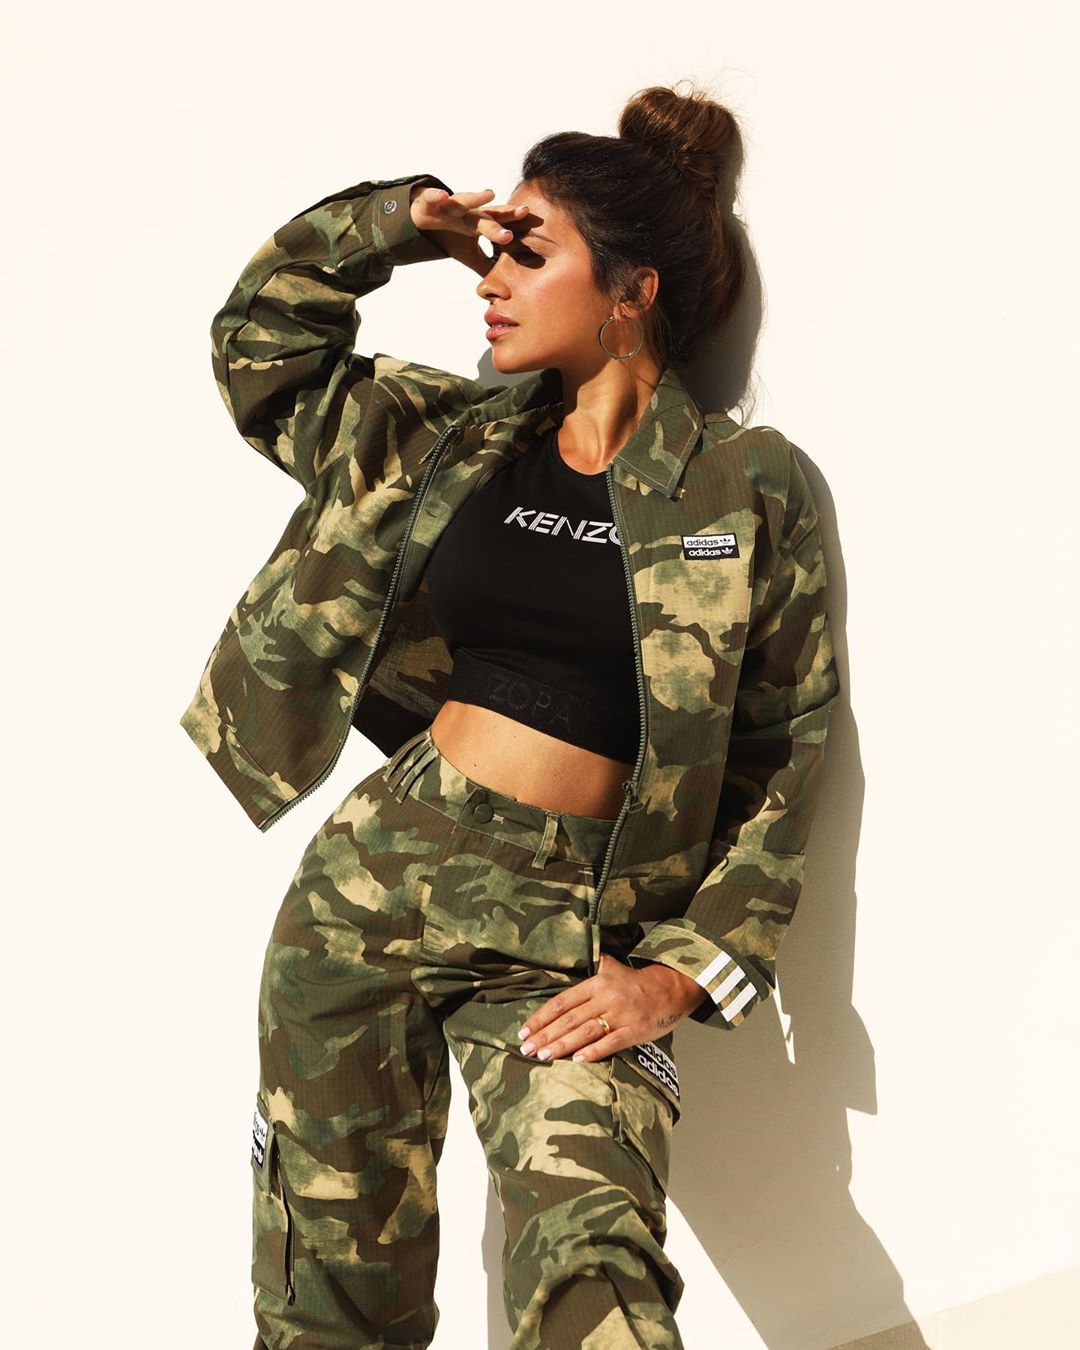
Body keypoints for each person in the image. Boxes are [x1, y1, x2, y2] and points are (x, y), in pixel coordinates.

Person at [180, 80, 840, 1350]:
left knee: (599, 1280)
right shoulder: (445, 435)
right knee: (331, 1304)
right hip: (370, 889)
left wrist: (677, 977)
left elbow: (782, 753)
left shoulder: (746, 487)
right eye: (494, 250)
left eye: (529, 253)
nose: (490, 279)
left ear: (632, 290)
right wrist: (400, 224)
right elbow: (260, 350)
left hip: (572, 936)